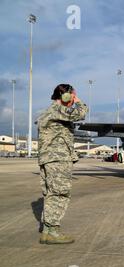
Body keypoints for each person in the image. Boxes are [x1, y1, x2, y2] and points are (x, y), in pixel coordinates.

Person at [37, 84, 88, 244]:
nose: (73, 99)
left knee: (51, 194)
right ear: (66, 96)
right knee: (60, 193)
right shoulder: (57, 110)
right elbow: (81, 113)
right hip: (58, 159)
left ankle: (47, 231)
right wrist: (78, 101)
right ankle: (53, 231)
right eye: (72, 95)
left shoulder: (52, 111)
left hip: (51, 158)